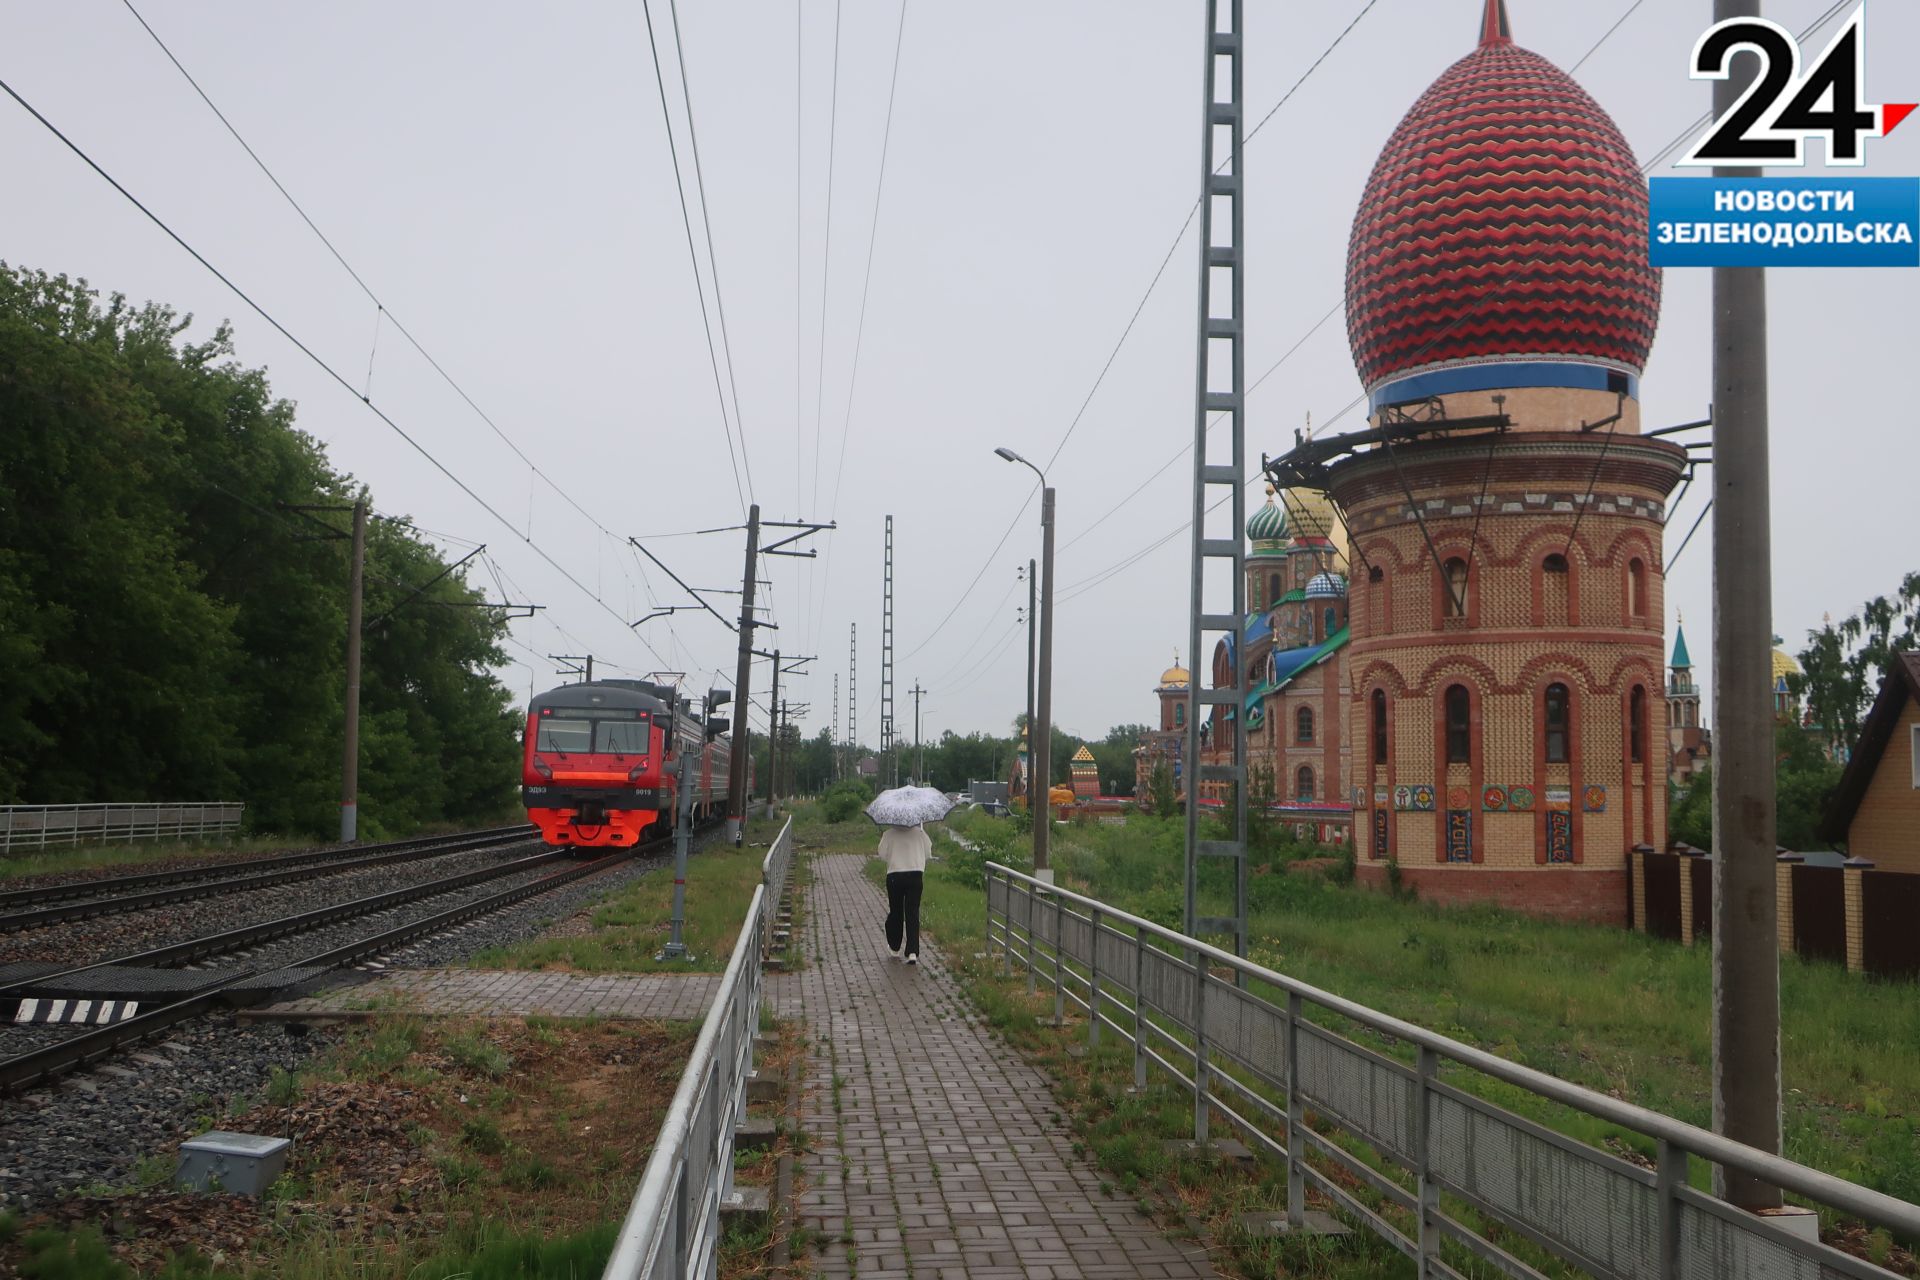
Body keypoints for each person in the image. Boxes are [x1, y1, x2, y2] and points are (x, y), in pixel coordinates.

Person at [877, 821, 929, 964]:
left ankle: (894, 947)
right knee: (912, 912)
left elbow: (881, 854)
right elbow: (928, 852)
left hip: (895, 875)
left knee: (896, 911)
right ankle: (912, 951)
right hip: (915, 875)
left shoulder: (888, 834)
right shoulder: (920, 833)